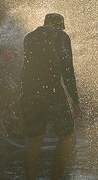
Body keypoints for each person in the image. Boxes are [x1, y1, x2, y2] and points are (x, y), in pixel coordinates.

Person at [20, 13, 80, 180]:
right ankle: (55, 178)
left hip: (28, 91)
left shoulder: (29, 37)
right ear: (59, 25)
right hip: (51, 90)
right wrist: (75, 100)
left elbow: (27, 68)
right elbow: (68, 70)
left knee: (34, 139)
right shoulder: (61, 36)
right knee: (67, 134)